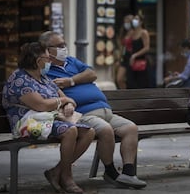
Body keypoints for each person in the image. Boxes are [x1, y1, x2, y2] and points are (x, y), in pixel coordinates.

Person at [39, 31, 147, 189]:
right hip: (83, 114)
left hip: (105, 110)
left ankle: (128, 174)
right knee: (105, 129)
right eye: (60, 46)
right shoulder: (46, 70)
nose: (64, 48)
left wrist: (71, 81)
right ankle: (110, 171)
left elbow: (92, 73)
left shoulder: (71, 61)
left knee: (131, 128)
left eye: (64, 44)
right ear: (47, 49)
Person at [2, 42, 95, 193]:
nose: (50, 61)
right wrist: (63, 101)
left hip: (48, 120)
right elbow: (42, 106)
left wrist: (68, 105)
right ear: (38, 61)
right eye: (47, 58)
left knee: (89, 132)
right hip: (28, 123)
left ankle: (56, 171)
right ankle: (66, 177)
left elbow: (66, 99)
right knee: (71, 131)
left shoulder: (43, 78)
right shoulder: (19, 79)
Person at [127, 14, 151, 89]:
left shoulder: (144, 32)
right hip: (132, 61)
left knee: (141, 83)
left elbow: (146, 47)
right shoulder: (132, 33)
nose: (134, 21)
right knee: (132, 83)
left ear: (141, 22)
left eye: (137, 19)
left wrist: (135, 55)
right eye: (134, 19)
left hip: (141, 60)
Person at [116, 14, 134, 89]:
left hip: (132, 56)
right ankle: (124, 93)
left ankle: (130, 95)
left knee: (131, 79)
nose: (126, 24)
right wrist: (119, 59)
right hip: (124, 57)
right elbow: (122, 48)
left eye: (128, 22)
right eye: (125, 22)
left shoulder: (135, 32)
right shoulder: (124, 33)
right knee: (119, 79)